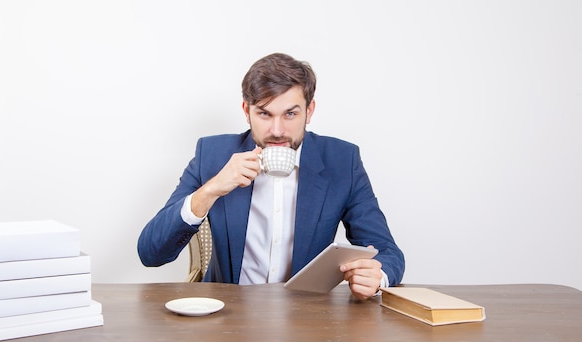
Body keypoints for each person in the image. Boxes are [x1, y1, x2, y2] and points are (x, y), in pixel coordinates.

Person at [138, 52, 404, 299]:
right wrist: (210, 190)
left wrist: (377, 276)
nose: (277, 130)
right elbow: (151, 252)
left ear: (309, 111)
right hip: (229, 316)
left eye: (290, 113)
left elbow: (388, 252)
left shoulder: (342, 161)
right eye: (264, 114)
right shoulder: (212, 154)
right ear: (247, 111)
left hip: (309, 319)